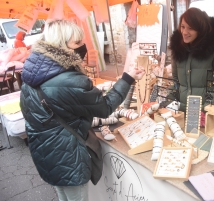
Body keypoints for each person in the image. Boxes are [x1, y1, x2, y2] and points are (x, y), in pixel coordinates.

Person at [20, 20, 145, 201]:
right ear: (62, 46)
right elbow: (105, 107)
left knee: (63, 195)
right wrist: (127, 78)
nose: (82, 46)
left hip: (45, 152)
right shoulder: (70, 80)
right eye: (77, 42)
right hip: (67, 156)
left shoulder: (31, 74)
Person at [169, 7, 214, 112]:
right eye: (183, 27)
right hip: (181, 112)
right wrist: (169, 102)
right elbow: (176, 81)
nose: (184, 32)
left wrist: (207, 109)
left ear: (200, 29)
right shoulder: (178, 48)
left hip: (206, 115)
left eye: (190, 28)